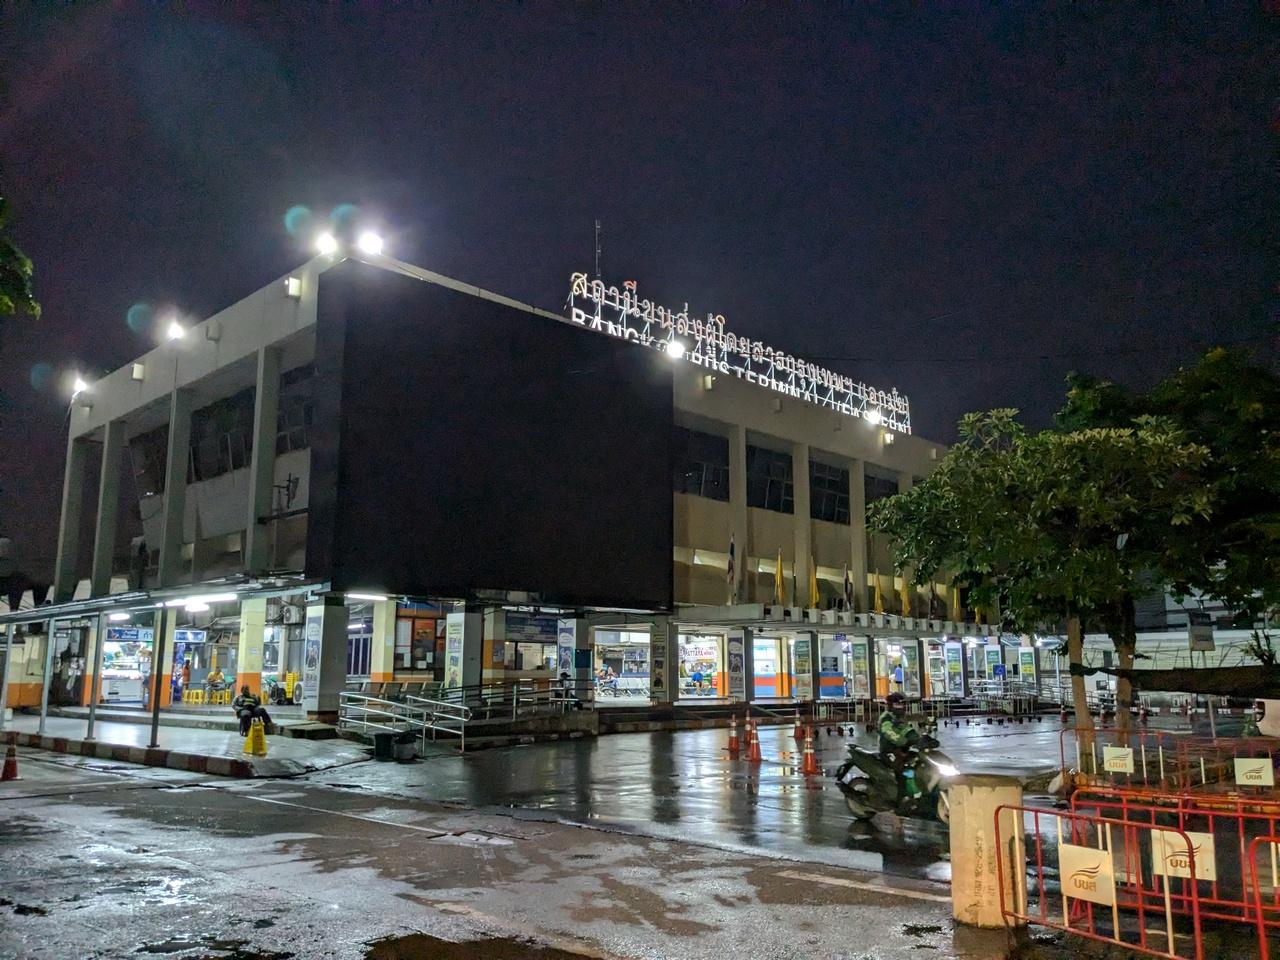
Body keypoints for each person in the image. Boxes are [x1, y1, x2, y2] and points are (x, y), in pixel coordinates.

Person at [878, 692, 920, 794]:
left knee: (917, 763)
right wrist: (904, 742)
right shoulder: (886, 718)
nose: (901, 707)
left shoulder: (899, 718)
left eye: (902, 704)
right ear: (891, 705)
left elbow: (906, 729)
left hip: (900, 750)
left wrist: (919, 739)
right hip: (889, 751)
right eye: (898, 704)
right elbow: (888, 732)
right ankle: (901, 798)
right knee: (902, 772)